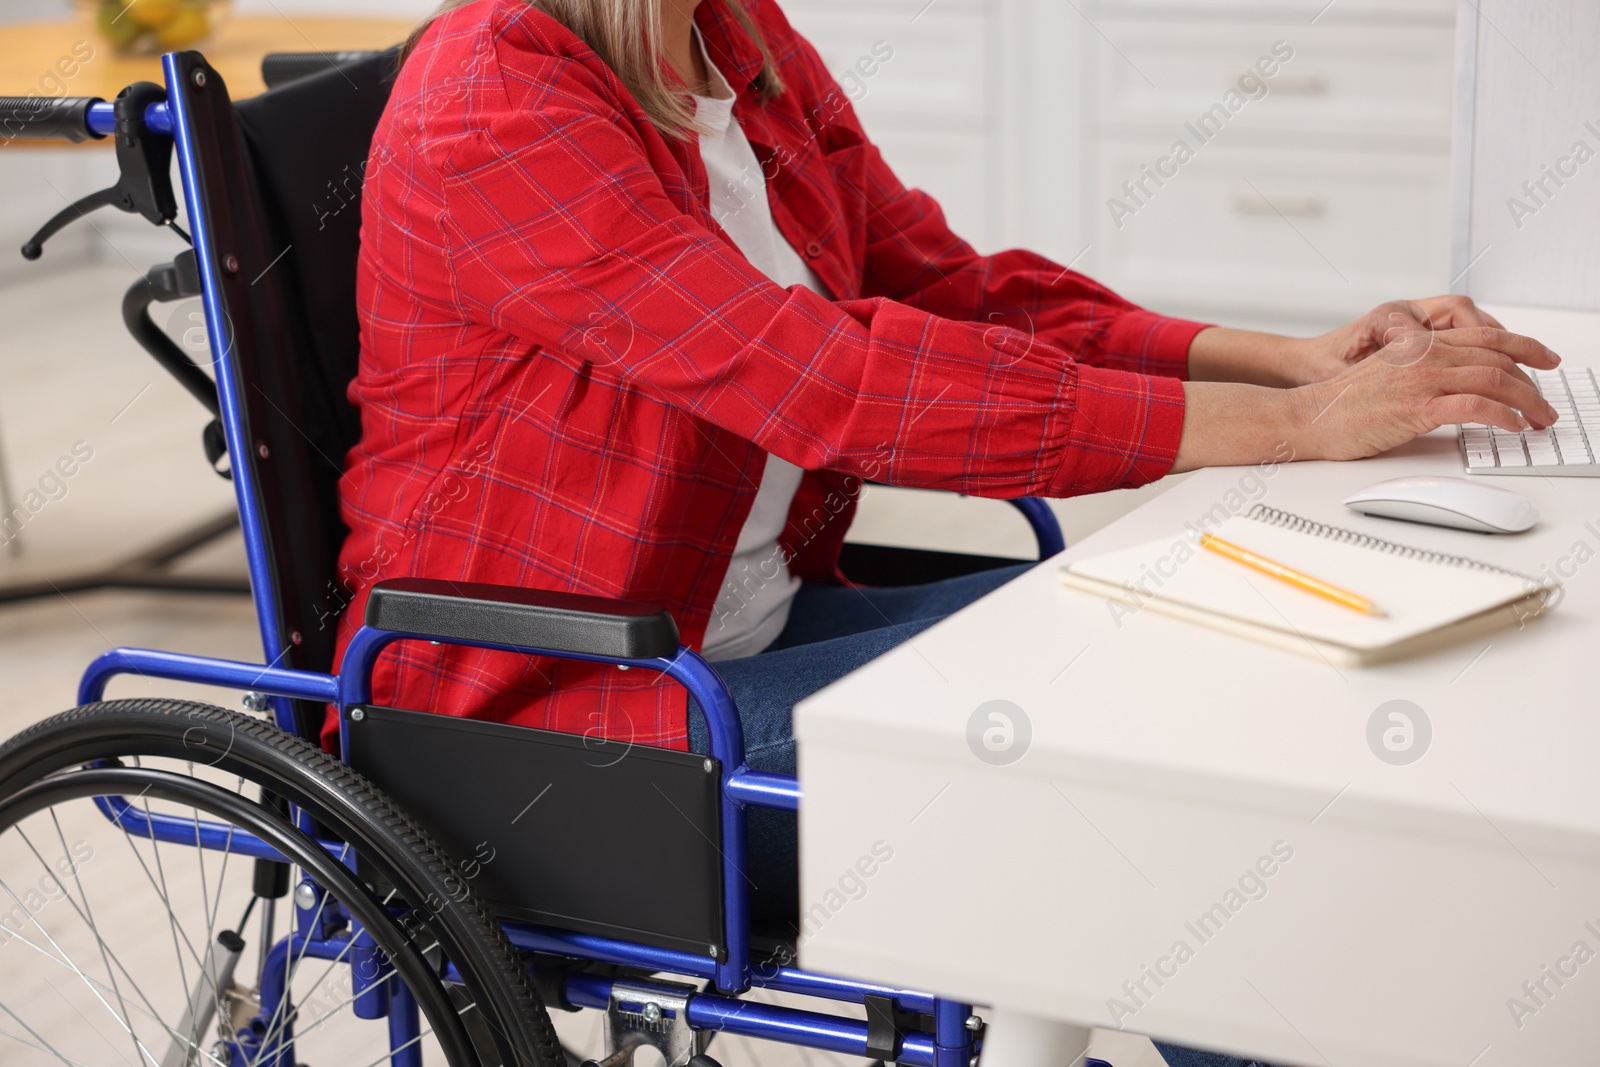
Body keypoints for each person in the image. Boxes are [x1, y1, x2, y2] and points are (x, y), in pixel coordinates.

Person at [327, 1, 1559, 1063]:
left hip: (736, 627)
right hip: (546, 713)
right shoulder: (494, 97)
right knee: (1141, 771)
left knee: (1196, 661)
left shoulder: (733, 44)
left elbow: (948, 291)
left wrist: (1287, 359)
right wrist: (1292, 428)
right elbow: (824, 385)